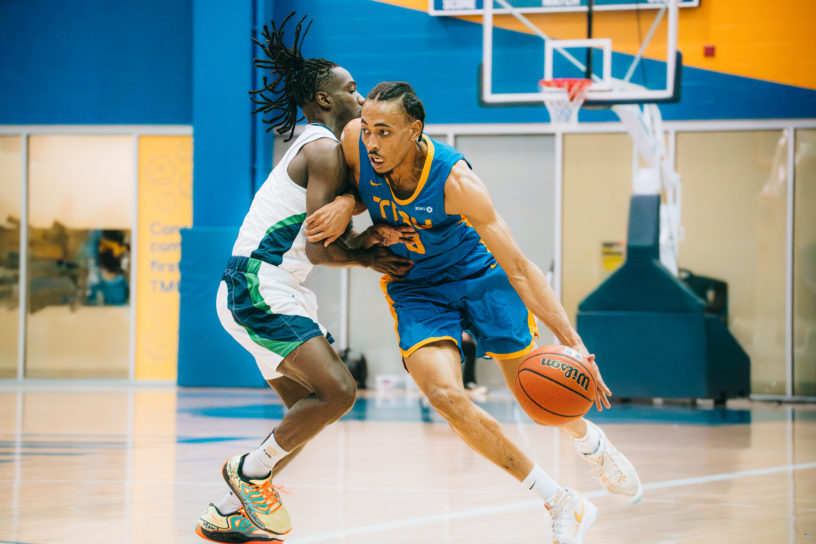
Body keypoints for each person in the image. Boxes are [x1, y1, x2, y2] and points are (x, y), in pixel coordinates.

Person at [306, 81, 642, 544]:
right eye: (367, 130)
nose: (372, 142)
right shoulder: (354, 145)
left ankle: (591, 443)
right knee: (446, 396)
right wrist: (347, 201)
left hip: (478, 276)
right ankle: (560, 500)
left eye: (384, 132)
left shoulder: (456, 180)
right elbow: (359, 189)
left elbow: (521, 269)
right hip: (417, 286)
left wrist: (575, 344)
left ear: (415, 130)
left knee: (536, 397)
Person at [196, 16, 413, 543]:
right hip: (258, 287)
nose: (362, 100)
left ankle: (227, 512)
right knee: (338, 392)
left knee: (303, 414)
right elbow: (320, 245)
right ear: (323, 100)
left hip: (272, 287)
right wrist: (364, 254)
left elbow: (321, 244)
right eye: (351, 90)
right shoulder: (322, 149)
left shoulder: (321, 147)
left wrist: (363, 243)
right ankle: (247, 474)